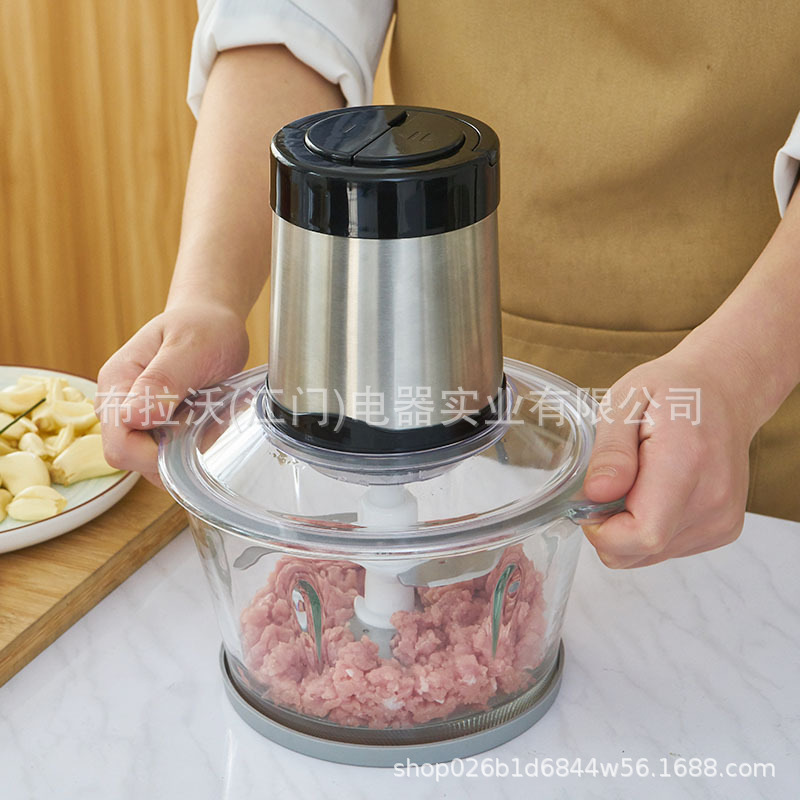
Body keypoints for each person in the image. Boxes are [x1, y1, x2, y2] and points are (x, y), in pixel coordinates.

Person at [96, 1, 800, 569]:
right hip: (450, 343)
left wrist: (737, 373)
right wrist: (208, 298)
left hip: (753, 366)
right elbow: (290, 23)